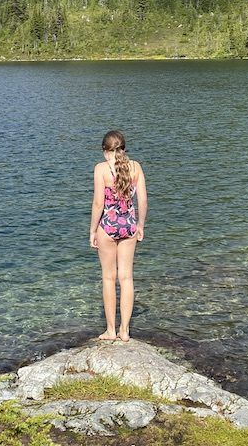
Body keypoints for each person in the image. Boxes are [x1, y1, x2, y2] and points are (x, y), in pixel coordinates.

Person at [89, 129, 148, 342]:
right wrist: (140, 225)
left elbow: (98, 204)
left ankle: (111, 330)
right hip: (129, 226)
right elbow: (142, 201)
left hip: (108, 226)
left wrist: (93, 230)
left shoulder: (101, 169)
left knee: (108, 278)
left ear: (106, 151)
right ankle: (125, 331)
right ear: (123, 148)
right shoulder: (136, 168)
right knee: (126, 277)